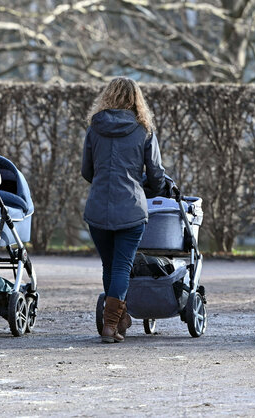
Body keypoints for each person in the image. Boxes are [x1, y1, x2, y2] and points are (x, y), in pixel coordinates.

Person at [82, 77, 167, 343]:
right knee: (121, 266)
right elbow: (156, 175)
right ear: (136, 99)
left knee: (109, 266)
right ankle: (110, 325)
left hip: (97, 208)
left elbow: (87, 171)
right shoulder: (143, 130)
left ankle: (119, 320)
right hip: (131, 208)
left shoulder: (94, 128)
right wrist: (144, 189)